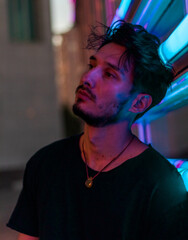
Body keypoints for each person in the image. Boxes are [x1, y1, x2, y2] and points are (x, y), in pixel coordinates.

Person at [7, 21, 188, 240]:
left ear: (138, 104)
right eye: (93, 66)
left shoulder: (161, 186)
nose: (87, 78)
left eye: (109, 74)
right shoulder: (45, 164)